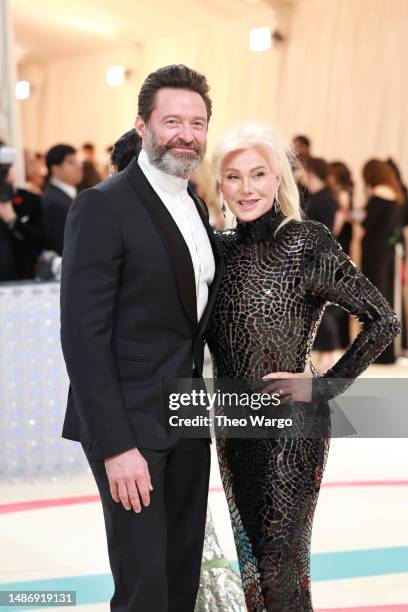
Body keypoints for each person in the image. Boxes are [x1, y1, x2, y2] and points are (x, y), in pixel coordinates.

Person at [207, 123, 400, 611]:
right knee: (255, 566)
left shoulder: (304, 241)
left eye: (258, 174)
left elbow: (382, 320)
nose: (246, 188)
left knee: (280, 572)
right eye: (233, 177)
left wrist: (324, 387)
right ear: (220, 185)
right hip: (235, 426)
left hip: (292, 430)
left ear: (278, 180)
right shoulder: (216, 249)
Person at [60, 64, 224, 612]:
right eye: (172, 120)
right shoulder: (103, 205)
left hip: (187, 416)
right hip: (128, 426)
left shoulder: (194, 206)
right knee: (143, 588)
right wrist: (116, 446)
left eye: (197, 123)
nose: (186, 134)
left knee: (181, 578)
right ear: (142, 126)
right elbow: (83, 338)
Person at [360, 158, 404, 364]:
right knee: (387, 300)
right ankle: (387, 351)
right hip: (387, 252)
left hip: (374, 253)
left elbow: (367, 222)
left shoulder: (377, 194)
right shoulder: (395, 195)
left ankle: (379, 352)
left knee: (375, 302)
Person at [42, 144, 83, 256]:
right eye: (71, 162)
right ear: (55, 168)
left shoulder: (75, 193)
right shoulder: (54, 201)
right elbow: (63, 245)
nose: (78, 166)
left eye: (77, 161)